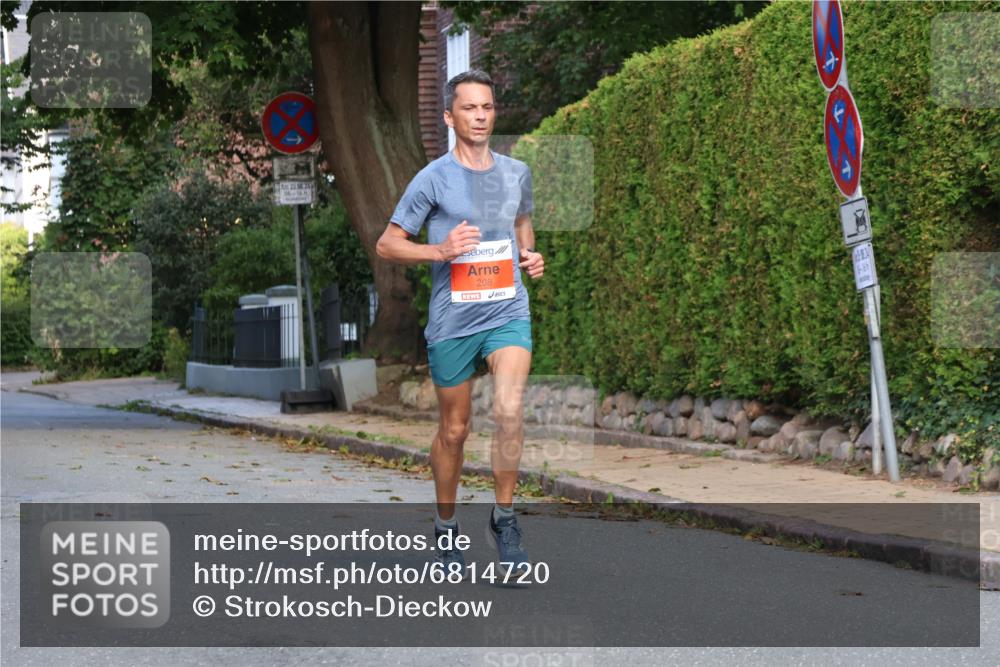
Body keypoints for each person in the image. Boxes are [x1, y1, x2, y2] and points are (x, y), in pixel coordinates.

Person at [376, 69, 544, 578]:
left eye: (487, 107)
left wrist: (530, 255)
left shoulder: (516, 173)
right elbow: (387, 243)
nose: (480, 115)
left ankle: (505, 519)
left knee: (510, 409)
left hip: (507, 310)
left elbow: (521, 224)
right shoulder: (433, 178)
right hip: (453, 320)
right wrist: (439, 250)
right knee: (454, 430)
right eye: (469, 108)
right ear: (450, 117)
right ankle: (447, 527)